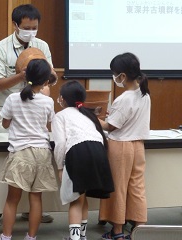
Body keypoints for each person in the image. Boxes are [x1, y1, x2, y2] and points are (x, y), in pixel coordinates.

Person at [0, 3, 56, 227]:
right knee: (4, 164)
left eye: (35, 27)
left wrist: (45, 80)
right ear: (15, 25)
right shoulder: (0, 48)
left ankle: (29, 212)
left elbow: (52, 77)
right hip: (8, 111)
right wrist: (23, 76)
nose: (31, 31)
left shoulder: (42, 46)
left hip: (35, 111)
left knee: (32, 168)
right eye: (26, 27)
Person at [0, 58, 58, 240]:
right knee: (36, 199)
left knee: (12, 200)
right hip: (42, 152)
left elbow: (5, 124)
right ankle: (31, 237)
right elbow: (50, 125)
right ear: (47, 81)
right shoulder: (48, 102)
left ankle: (6, 237)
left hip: (21, 152)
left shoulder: (12, 99)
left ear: (25, 75)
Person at [51, 80, 114, 240]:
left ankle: (74, 238)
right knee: (82, 196)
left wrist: (59, 167)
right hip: (99, 152)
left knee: (75, 200)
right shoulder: (89, 114)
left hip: (78, 153)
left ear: (63, 99)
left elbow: (60, 145)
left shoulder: (60, 116)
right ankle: (82, 236)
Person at [99, 52, 151, 240]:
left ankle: (118, 231)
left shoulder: (124, 98)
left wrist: (93, 119)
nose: (114, 78)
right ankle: (140, 229)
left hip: (120, 146)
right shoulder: (144, 93)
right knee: (137, 187)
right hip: (138, 146)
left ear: (122, 76)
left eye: (115, 73)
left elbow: (110, 126)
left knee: (118, 188)